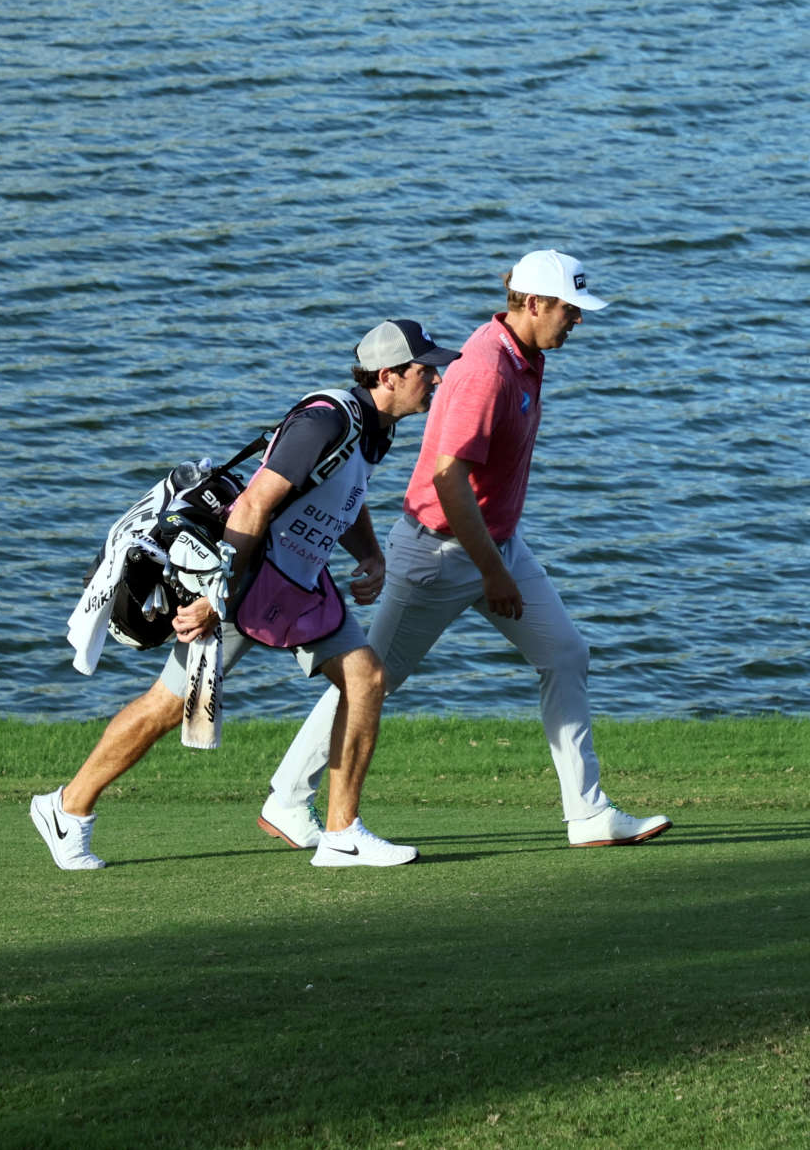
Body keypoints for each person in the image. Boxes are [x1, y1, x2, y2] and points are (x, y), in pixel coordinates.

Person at [259, 250, 672, 851]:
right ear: (532, 304)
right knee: (374, 678)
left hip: (495, 545)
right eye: (568, 309)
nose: (577, 320)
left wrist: (500, 562)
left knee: (565, 655)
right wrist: (493, 573)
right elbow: (449, 478)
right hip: (440, 556)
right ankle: (288, 800)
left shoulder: (525, 354)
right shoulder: (486, 370)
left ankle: (587, 814)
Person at [31, 320, 460, 870]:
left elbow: (340, 493)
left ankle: (342, 832)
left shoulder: (376, 429)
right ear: (389, 376)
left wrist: (370, 554)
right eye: (426, 370)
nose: (438, 380)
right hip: (248, 578)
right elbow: (256, 504)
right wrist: (217, 597)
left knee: (366, 678)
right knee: (166, 706)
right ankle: (67, 808)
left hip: (300, 581)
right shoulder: (325, 420)